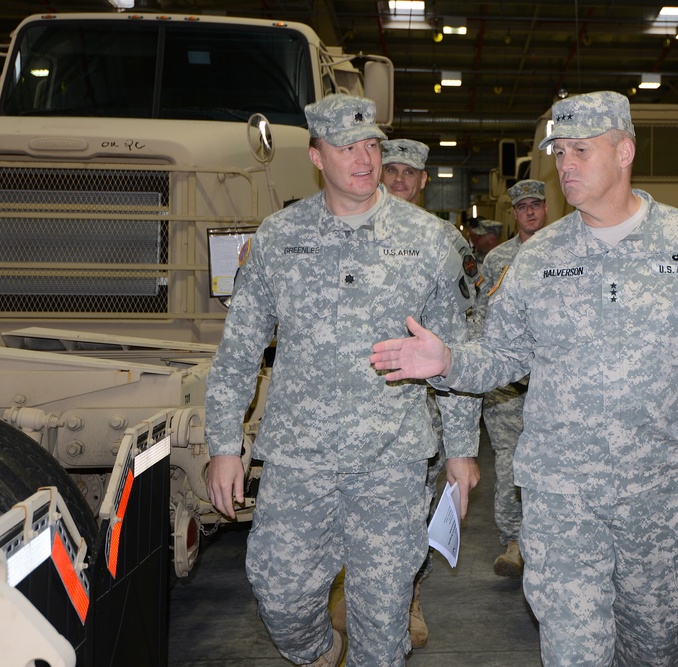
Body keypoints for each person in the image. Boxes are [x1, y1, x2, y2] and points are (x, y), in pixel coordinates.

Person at [370, 90, 678, 666]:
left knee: (655, 646)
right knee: (573, 651)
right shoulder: (538, 259)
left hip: (658, 494)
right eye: (560, 152)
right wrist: (451, 362)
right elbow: (502, 357)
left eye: (582, 150)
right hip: (562, 495)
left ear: (625, 150)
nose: (566, 165)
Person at [204, 93, 480, 667]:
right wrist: (224, 446)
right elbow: (238, 351)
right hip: (298, 459)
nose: (364, 158)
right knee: (278, 594)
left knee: (381, 627)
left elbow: (456, 354)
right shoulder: (279, 238)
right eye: (346, 146)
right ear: (315, 155)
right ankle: (321, 651)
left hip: (391, 461)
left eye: (371, 145)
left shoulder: (428, 241)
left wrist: (460, 452)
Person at [376, 136, 478, 648]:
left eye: (408, 173)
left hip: (420, 407)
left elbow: (462, 331)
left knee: (413, 512)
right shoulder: (349, 230)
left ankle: (408, 598)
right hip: (355, 403)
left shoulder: (443, 243)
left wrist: (460, 434)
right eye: (390, 169)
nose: (399, 179)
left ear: (421, 181)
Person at [470, 179, 549, 577]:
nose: (530, 212)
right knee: (509, 463)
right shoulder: (497, 259)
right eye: (523, 207)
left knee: (553, 465)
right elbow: (483, 319)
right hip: (506, 388)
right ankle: (515, 542)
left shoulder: (564, 251)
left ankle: (548, 543)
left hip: (554, 383)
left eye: (537, 204)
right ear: (514, 214)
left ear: (546, 208)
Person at [381, 138, 429, 206]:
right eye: (392, 171)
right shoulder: (363, 216)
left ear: (422, 179)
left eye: (409, 172)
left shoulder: (427, 217)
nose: (398, 179)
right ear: (379, 176)